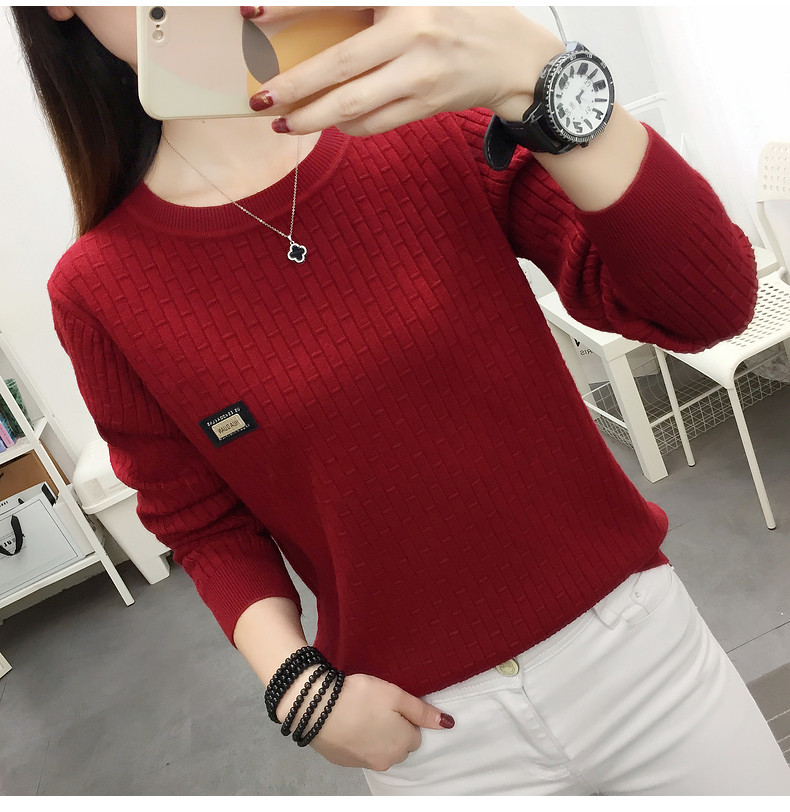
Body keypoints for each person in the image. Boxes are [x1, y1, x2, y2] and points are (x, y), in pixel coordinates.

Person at [12, 5, 790, 796]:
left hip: (638, 652)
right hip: (432, 742)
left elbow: (709, 303)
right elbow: (200, 521)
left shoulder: (431, 124)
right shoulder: (97, 290)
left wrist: (541, 75)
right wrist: (298, 690)